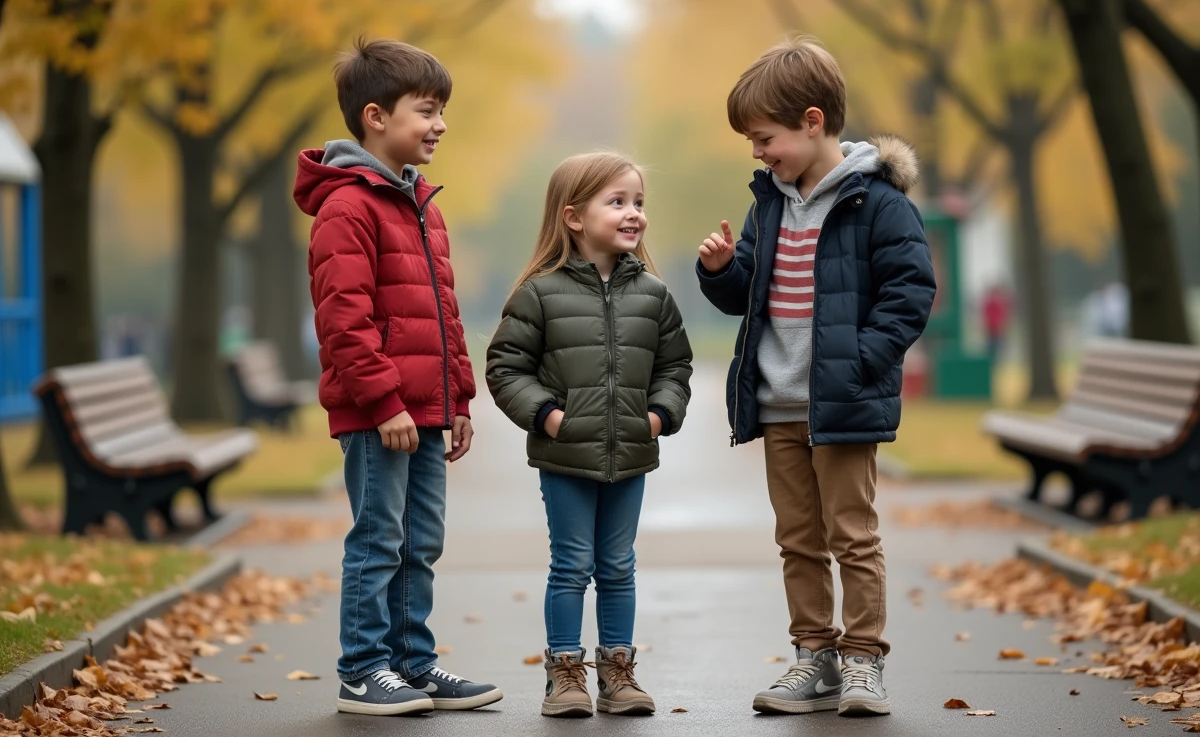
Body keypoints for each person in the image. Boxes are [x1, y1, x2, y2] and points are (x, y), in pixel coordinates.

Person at [695, 37, 936, 717]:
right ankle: (814, 657)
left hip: (844, 401)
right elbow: (751, 291)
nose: (757, 153)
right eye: (750, 141)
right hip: (779, 403)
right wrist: (721, 273)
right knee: (797, 539)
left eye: (763, 137)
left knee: (851, 536)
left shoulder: (879, 204)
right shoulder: (768, 203)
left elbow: (910, 293)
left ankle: (864, 660)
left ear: (811, 120)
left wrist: (859, 363)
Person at [294, 37, 501, 716]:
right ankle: (362, 669)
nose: (440, 124)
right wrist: (384, 402)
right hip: (378, 412)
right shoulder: (347, 207)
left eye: (443, 110)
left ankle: (412, 663)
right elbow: (344, 319)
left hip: (427, 410)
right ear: (376, 116)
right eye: (427, 110)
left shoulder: (421, 205)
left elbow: (443, 311)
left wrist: (460, 396)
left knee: (422, 540)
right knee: (379, 539)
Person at [486, 151, 693, 718]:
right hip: (565, 456)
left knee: (619, 563)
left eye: (639, 203)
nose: (634, 214)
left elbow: (676, 367)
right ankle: (565, 673)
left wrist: (657, 417)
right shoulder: (540, 292)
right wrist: (550, 418)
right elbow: (506, 367)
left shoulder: (653, 294)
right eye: (618, 202)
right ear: (574, 217)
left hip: (631, 453)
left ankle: (619, 674)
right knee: (572, 563)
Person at [981, 284, 1013, 365]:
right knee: (992, 348)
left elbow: (1003, 316)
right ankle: (992, 362)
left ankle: (997, 362)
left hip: (997, 329)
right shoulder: (990, 303)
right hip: (992, 329)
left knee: (998, 347)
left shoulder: (998, 303)